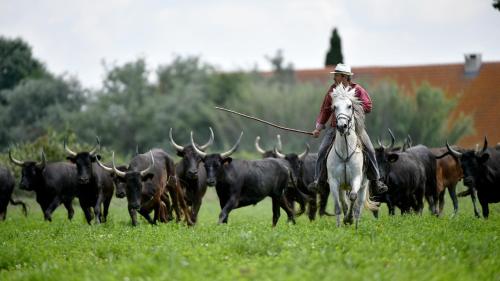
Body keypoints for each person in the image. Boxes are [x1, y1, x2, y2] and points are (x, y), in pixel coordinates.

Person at [311, 63, 388, 194]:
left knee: (370, 150)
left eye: (337, 75)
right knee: (322, 151)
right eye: (335, 75)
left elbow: (368, 106)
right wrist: (318, 128)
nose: (334, 78)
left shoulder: (357, 89)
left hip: (355, 128)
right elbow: (325, 111)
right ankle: (319, 181)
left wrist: (353, 106)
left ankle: (376, 182)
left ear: (345, 77)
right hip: (335, 127)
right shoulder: (332, 91)